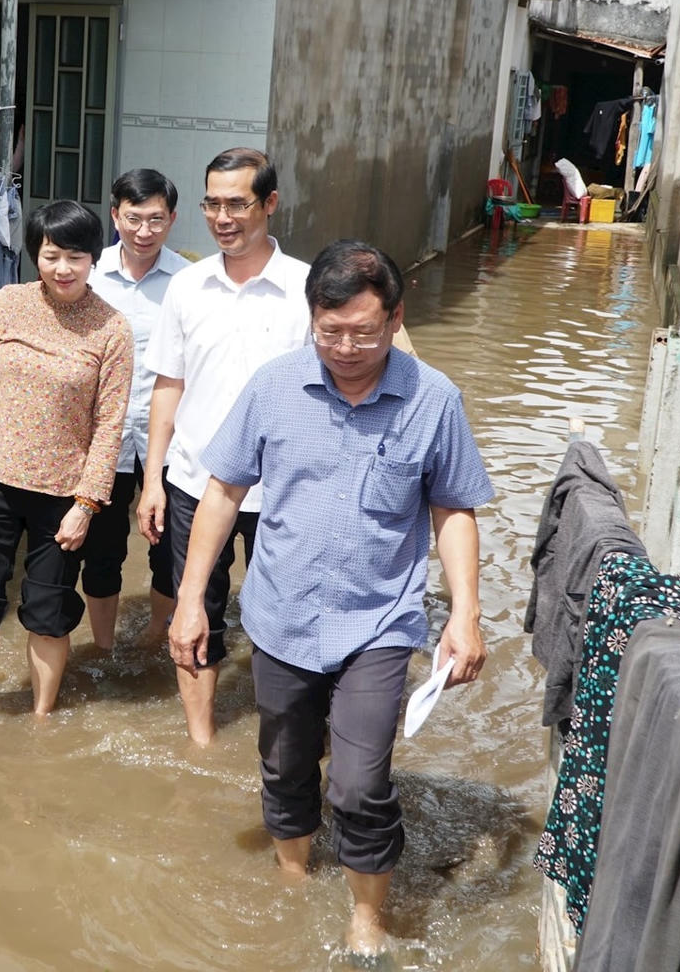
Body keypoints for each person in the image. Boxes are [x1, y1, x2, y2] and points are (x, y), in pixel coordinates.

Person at [171, 240, 493, 956]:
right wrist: (192, 599)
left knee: (358, 782)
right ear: (310, 317)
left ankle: (367, 917)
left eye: (365, 332)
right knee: (285, 765)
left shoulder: (431, 398)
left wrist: (465, 615)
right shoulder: (273, 386)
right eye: (330, 330)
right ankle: (292, 875)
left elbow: (454, 510)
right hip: (281, 614)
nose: (346, 347)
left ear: (396, 318)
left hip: (379, 620)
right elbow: (221, 492)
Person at [136, 147, 311, 745]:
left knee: (285, 618)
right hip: (194, 481)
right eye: (212, 203)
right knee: (196, 610)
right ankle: (203, 742)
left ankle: (285, 737)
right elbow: (169, 385)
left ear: (270, 204)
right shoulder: (187, 287)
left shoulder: (308, 288)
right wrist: (153, 479)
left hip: (286, 490)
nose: (222, 217)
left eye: (237, 203)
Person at [0, 200, 133, 716]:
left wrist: (88, 504)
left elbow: (110, 424)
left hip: (63, 496)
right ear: (36, 255)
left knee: (49, 612)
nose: (63, 268)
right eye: (51, 255)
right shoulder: (6, 305)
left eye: (76, 255)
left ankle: (44, 716)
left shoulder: (111, 329)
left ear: (95, 258)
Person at [80, 169, 190, 651]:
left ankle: (153, 638)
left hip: (171, 436)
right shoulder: (88, 273)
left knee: (169, 546)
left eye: (156, 220)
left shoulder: (189, 282)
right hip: (101, 436)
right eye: (133, 219)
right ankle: (102, 645)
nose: (144, 231)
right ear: (114, 215)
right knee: (101, 548)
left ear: (172, 220)